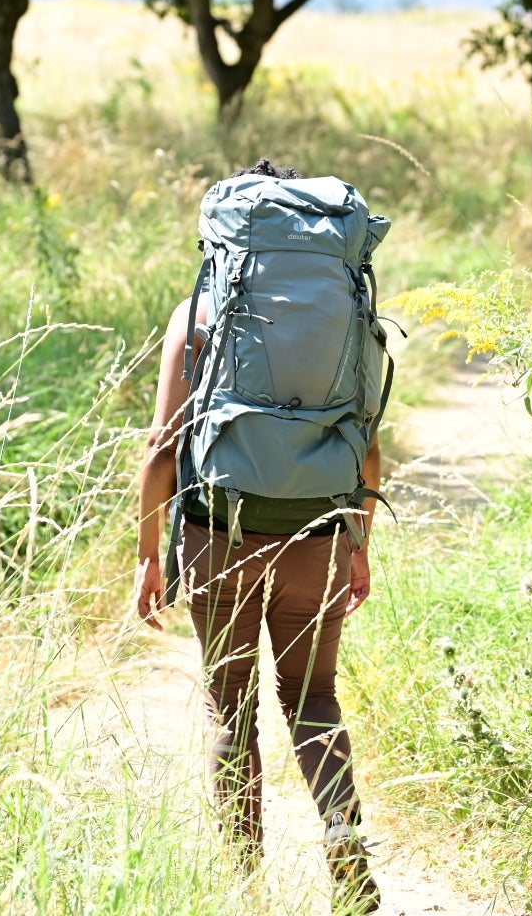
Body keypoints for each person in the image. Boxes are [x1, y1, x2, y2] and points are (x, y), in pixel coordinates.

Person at [134, 158, 383, 914]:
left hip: (219, 526)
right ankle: (342, 840)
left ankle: (245, 888)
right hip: (320, 523)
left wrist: (148, 555)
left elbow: (163, 447)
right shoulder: (344, 305)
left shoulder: (199, 310)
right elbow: (368, 441)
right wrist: (359, 542)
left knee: (230, 707)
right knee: (313, 697)